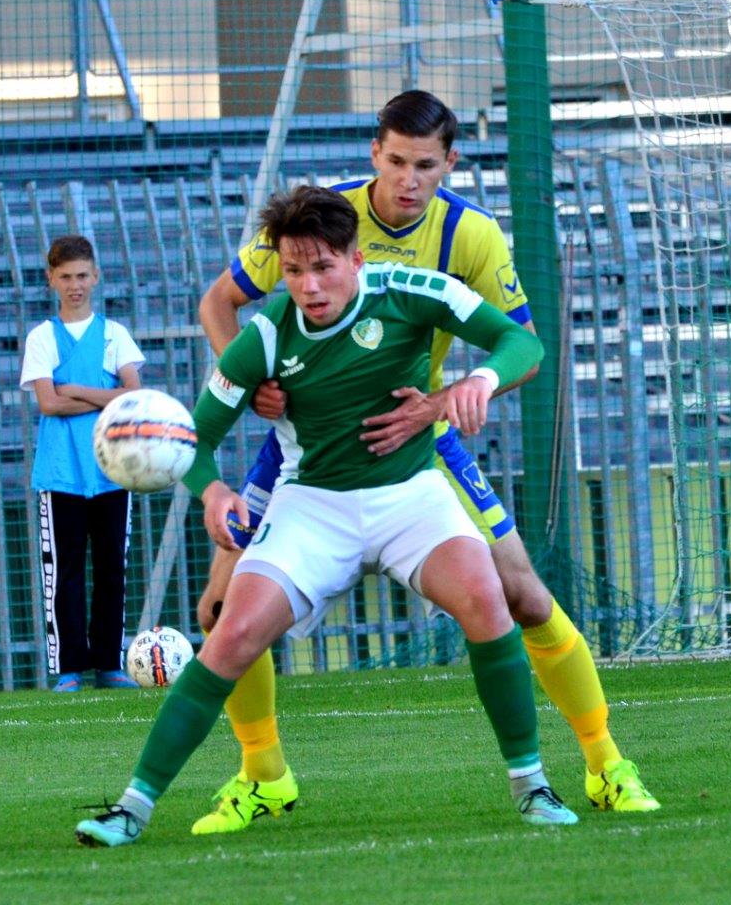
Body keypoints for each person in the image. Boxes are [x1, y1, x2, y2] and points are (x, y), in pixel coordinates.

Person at [191, 90, 659, 835]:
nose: (409, 180)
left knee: (522, 595)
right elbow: (219, 304)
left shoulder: (471, 235)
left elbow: (522, 349)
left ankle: (605, 764)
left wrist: (444, 401)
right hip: (306, 446)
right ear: (375, 153)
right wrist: (254, 382)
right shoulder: (322, 221)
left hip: (418, 437)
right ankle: (262, 775)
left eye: (426, 166)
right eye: (398, 162)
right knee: (220, 610)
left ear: (450, 163)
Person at [74, 185, 575, 847]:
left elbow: (521, 344)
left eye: (322, 267)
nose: (308, 285)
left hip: (409, 493)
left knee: (488, 597)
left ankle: (532, 785)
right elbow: (197, 440)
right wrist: (213, 493)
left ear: (355, 258)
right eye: (293, 270)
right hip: (312, 504)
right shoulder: (264, 336)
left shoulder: (414, 291)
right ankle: (131, 809)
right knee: (230, 633)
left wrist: (475, 382)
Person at [20, 234, 146, 692]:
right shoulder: (42, 337)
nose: (75, 285)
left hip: (111, 469)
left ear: (96, 277)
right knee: (64, 573)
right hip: (61, 473)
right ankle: (70, 667)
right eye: (66, 277)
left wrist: (73, 389)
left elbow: (133, 395)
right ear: (51, 279)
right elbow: (48, 404)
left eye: (82, 276)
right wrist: (105, 396)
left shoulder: (115, 334)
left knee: (112, 569)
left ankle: (109, 664)